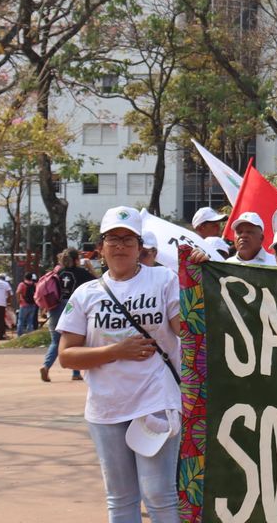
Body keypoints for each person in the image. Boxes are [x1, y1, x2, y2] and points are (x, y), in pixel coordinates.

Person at [56, 206, 185, 523]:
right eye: (114, 239)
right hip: (107, 407)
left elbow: (186, 328)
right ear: (100, 247)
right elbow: (66, 355)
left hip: (155, 400)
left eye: (129, 239)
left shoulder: (163, 279)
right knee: (121, 497)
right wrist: (117, 350)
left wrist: (197, 277)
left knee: (158, 493)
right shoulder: (86, 294)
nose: (121, 246)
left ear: (140, 247)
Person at [41, 249, 96, 382]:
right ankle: (76, 373)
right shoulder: (81, 273)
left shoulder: (57, 273)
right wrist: (90, 268)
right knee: (75, 339)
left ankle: (46, 366)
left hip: (55, 307)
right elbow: (98, 282)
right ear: (76, 260)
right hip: (72, 307)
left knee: (56, 341)